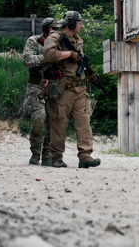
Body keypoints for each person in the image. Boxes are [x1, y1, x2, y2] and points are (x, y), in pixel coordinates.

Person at [43, 11, 101, 168]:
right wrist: (68, 53)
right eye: (80, 23)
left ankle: (85, 156)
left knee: (84, 122)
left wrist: (90, 74)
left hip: (80, 88)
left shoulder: (77, 40)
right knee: (59, 123)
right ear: (72, 24)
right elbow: (48, 55)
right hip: (63, 88)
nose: (82, 25)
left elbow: (80, 62)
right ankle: (56, 157)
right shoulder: (55, 37)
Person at [22, 18, 55, 166]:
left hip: (54, 87)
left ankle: (47, 155)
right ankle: (35, 154)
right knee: (38, 120)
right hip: (36, 86)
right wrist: (47, 57)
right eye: (53, 29)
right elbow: (28, 60)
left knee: (52, 122)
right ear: (46, 29)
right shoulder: (33, 41)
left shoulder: (58, 43)